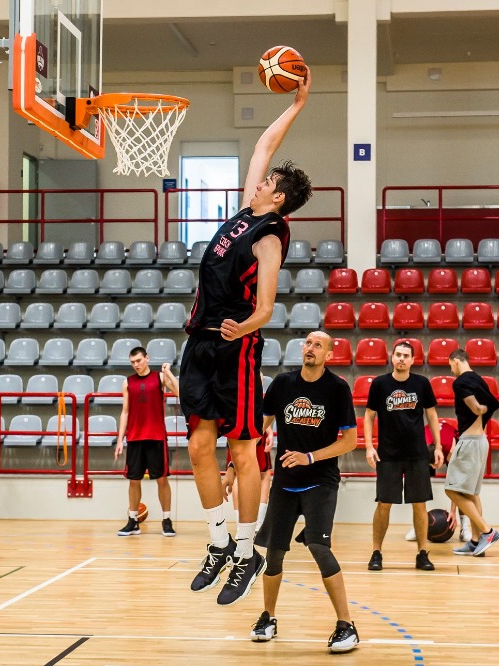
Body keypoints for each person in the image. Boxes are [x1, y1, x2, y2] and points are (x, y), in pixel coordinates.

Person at [180, 72, 313, 607]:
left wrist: (246, 328)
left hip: (235, 344)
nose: (256, 180)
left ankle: (246, 551)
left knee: (242, 449)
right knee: (195, 449)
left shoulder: (270, 237)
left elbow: (266, 308)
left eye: (265, 181)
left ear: (277, 196)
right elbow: (264, 143)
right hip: (200, 342)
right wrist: (298, 103)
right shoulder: (244, 213)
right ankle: (217, 543)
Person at [250, 330, 360, 653]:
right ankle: (268, 617)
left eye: (317, 345)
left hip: (321, 481)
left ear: (329, 354)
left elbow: (350, 441)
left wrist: (310, 457)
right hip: (285, 482)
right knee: (274, 552)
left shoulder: (338, 389)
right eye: (307, 343)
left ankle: (347, 624)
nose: (310, 349)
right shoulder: (282, 385)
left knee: (319, 547)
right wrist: (233, 467)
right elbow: (258, 429)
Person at [364, 341, 444, 572]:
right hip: (388, 454)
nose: (401, 358)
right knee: (384, 504)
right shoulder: (380, 384)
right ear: (392, 357)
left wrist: (437, 446)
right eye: (398, 354)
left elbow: (432, 414)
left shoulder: (421, 383)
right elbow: (369, 416)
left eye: (405, 355)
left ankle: (422, 553)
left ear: (412, 360)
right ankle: (376, 552)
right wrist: (370, 446)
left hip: (417, 453)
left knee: (420, 505)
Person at [114, 347, 180, 537]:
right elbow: (125, 412)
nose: (136, 365)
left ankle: (167, 520)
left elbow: (178, 392)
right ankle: (133, 521)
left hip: (157, 437)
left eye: (139, 361)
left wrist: (168, 373)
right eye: (133, 362)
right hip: (134, 438)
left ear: (147, 358)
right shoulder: (127, 382)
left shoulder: (159, 378)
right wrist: (120, 440)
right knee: (133, 480)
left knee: (162, 480)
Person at [446, 349, 499, 556]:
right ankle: (476, 541)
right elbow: (492, 405)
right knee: (472, 493)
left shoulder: (460, 382)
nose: (451, 369)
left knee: (451, 490)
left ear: (455, 361)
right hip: (481, 440)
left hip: (469, 441)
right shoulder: (480, 380)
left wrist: (479, 408)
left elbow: (477, 408)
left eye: (450, 365)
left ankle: (487, 532)